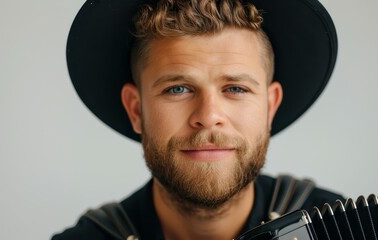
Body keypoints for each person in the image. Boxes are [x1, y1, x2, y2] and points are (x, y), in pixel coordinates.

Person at [52, 0, 344, 239]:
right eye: (178, 89)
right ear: (136, 110)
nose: (208, 117)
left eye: (236, 89)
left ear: (270, 106)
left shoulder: (338, 228)